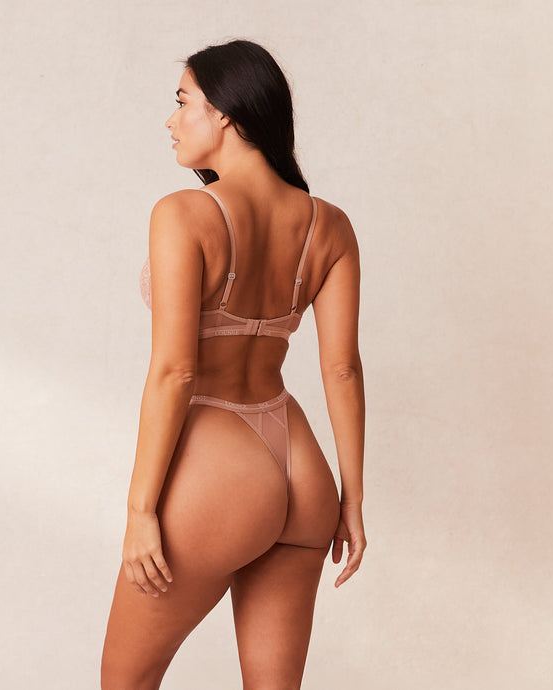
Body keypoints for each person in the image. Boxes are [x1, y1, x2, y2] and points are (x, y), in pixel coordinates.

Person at [101, 39, 367, 690]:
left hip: (218, 468)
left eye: (182, 101)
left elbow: (175, 372)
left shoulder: (184, 213)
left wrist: (140, 510)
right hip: (303, 469)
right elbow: (342, 370)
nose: (171, 120)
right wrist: (351, 499)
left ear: (224, 113)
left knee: (123, 684)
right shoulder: (329, 226)